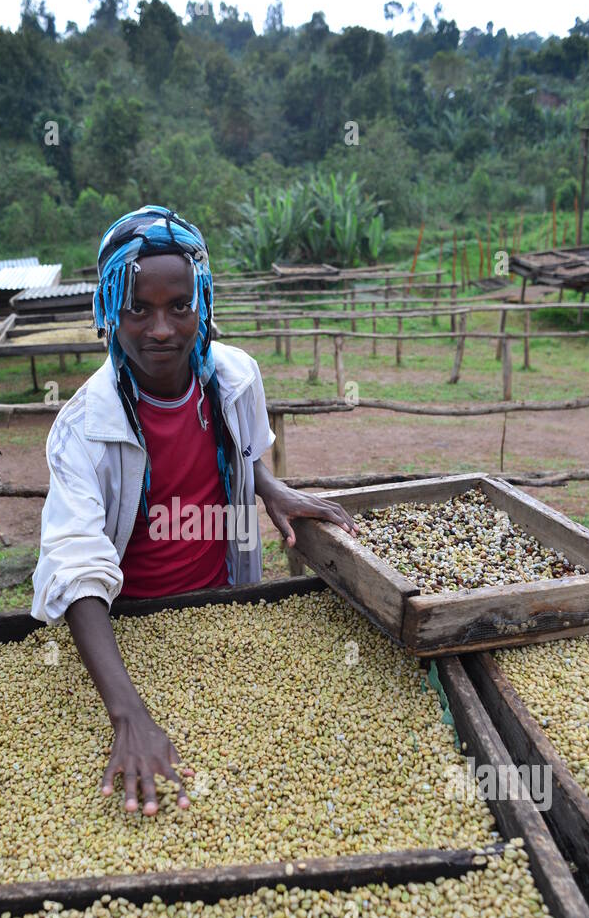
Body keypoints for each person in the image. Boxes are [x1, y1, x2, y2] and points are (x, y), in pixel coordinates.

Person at [32, 205, 355, 816]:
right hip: (130, 626)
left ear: (202, 300)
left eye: (180, 306)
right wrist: (129, 715)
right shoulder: (82, 427)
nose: (161, 329)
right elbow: (75, 563)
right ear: (107, 309)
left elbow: (245, 446)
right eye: (138, 309)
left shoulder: (236, 377)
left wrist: (268, 486)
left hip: (223, 605)